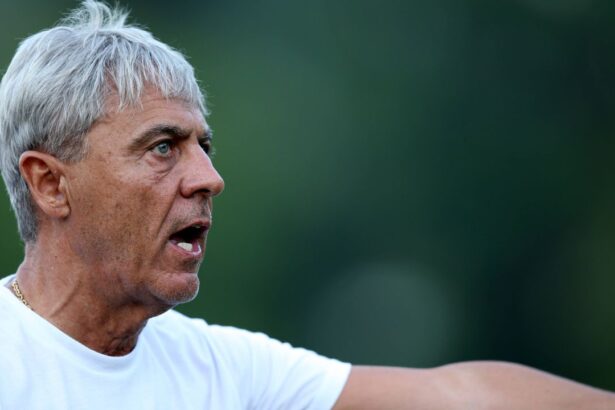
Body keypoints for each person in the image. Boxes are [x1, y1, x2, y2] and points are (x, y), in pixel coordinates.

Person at [0, 1, 612, 409]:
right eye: (162, 148)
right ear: (50, 184)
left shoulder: (218, 369)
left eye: (202, 147)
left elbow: (459, 396)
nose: (210, 179)